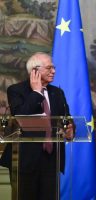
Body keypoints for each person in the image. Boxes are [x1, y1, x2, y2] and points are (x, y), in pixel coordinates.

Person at [0, 52, 73, 200]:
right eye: (49, 68)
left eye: (53, 67)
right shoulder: (16, 90)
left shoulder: (57, 93)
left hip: (51, 160)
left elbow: (66, 118)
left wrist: (70, 129)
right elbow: (21, 115)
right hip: (23, 160)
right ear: (35, 71)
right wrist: (37, 92)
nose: (54, 71)